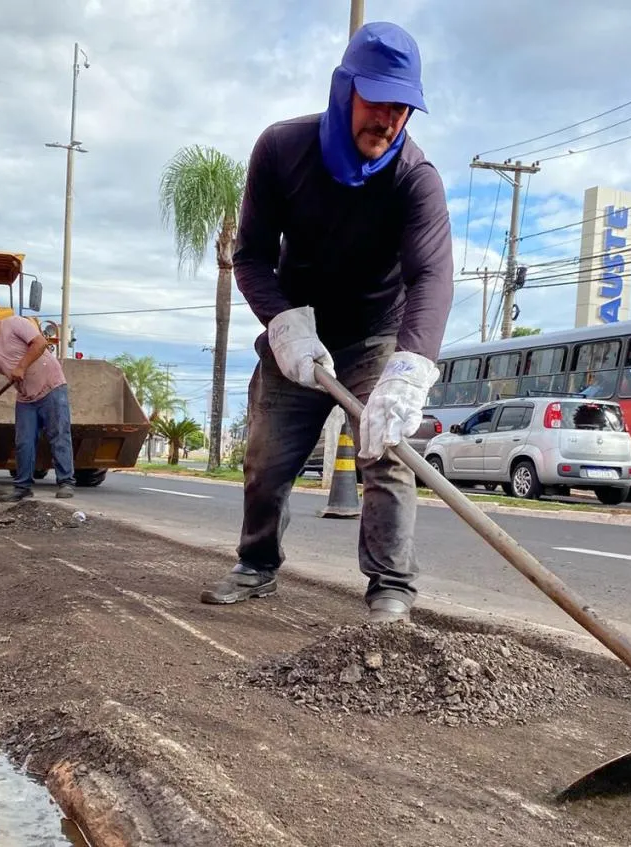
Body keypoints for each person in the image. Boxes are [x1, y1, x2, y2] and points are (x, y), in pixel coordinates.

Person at [199, 22, 453, 623]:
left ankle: (391, 586)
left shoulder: (415, 180)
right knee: (266, 457)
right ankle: (257, 565)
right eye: (376, 102)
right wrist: (283, 323)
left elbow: (432, 280)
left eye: (401, 108)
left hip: (374, 331)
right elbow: (254, 254)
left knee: (387, 452)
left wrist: (409, 369)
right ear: (344, 91)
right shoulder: (283, 150)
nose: (388, 120)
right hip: (300, 329)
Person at [0, 308, 75, 501]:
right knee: (23, 442)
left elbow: (40, 343)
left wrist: (21, 366)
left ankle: (65, 482)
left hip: (52, 388)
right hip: (26, 398)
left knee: (58, 434)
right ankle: (22, 486)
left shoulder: (15, 324)